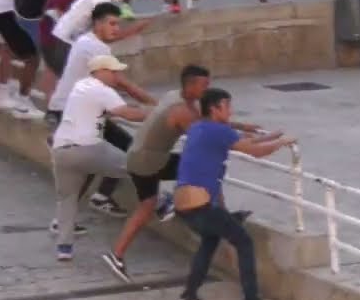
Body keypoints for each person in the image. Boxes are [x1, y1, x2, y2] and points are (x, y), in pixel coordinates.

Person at [105, 65, 261, 281]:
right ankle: (221, 217)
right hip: (150, 162)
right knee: (206, 172)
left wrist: (240, 126)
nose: (207, 89)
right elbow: (206, 133)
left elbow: (206, 120)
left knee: (146, 207)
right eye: (204, 85)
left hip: (137, 157)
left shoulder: (175, 97)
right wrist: (244, 138)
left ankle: (117, 254)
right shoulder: (182, 112)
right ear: (191, 85)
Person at [174, 87, 295, 300]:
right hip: (202, 204)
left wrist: (271, 136)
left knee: (209, 242)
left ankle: (189, 295)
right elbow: (256, 152)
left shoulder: (199, 128)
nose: (230, 111)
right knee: (244, 242)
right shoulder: (219, 130)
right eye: (227, 106)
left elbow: (241, 141)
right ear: (214, 108)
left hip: (183, 204)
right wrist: (283, 142)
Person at [47, 2, 154, 219]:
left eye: (118, 24)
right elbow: (122, 83)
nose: (116, 29)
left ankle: (96, 200)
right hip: (71, 114)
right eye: (112, 24)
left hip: (73, 111)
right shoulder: (94, 48)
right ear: (97, 24)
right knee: (124, 151)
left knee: (119, 149)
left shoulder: (90, 42)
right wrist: (156, 106)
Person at [49, 54, 150, 260]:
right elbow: (127, 114)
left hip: (61, 150)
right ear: (100, 72)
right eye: (113, 72)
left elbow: (97, 111)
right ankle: (164, 202)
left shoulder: (80, 86)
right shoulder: (100, 89)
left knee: (67, 198)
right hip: (89, 148)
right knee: (135, 165)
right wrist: (157, 114)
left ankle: (64, 248)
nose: (117, 76)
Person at [0, 0, 62, 118]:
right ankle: (22, 103)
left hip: (9, 9)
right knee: (31, 58)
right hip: (5, 10)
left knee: (9, 51)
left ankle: (4, 94)